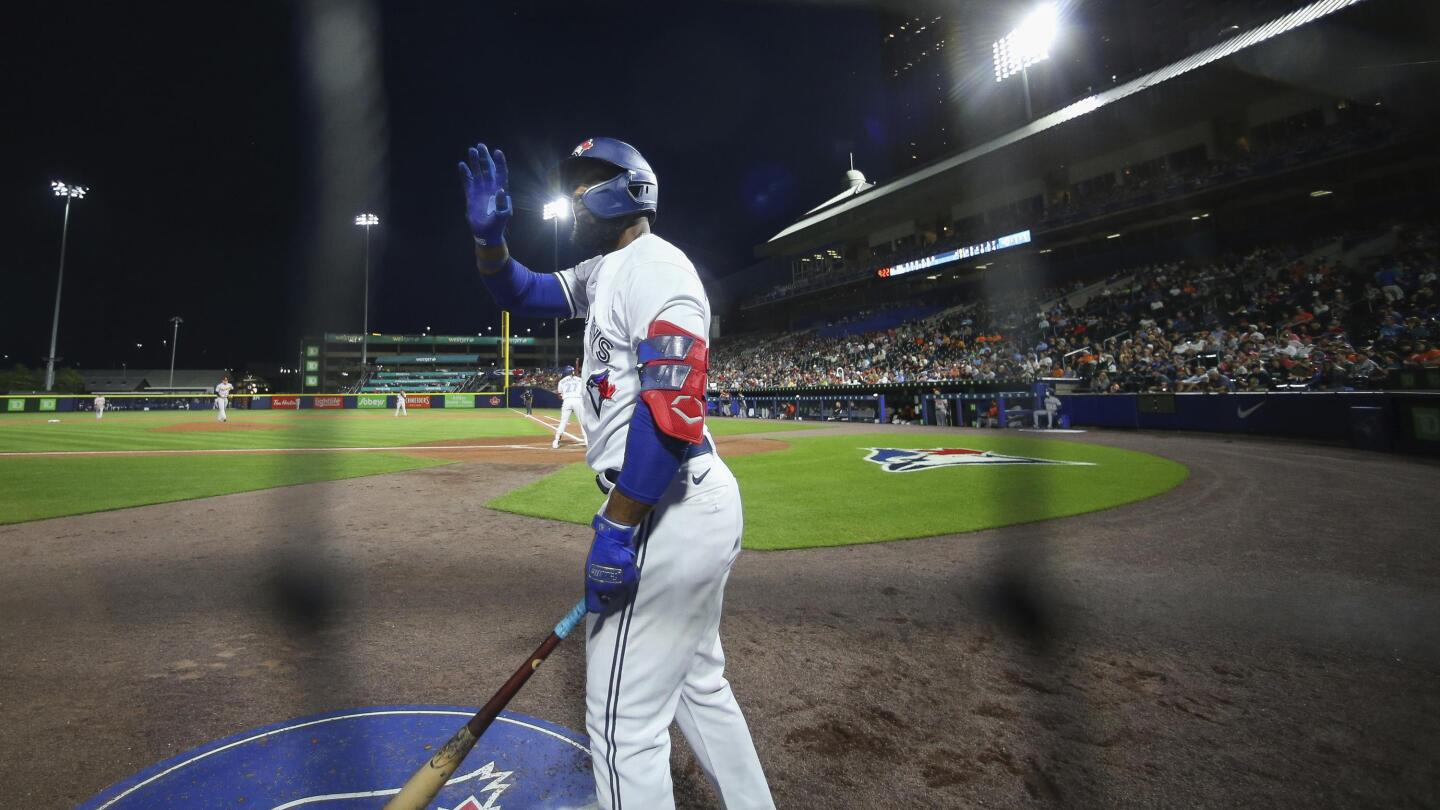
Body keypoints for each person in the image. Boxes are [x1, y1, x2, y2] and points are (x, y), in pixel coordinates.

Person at [461, 137, 773, 809]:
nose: (574, 197)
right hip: (681, 502)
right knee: (699, 686)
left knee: (619, 723)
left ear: (632, 187)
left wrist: (617, 525)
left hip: (668, 502)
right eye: (570, 186)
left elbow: (675, 401)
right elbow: (523, 291)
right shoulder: (606, 271)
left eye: (588, 181)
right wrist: (490, 240)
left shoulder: (657, 266)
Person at [554, 365, 586, 448]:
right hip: (578, 400)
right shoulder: (580, 379)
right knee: (582, 422)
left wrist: (566, 396)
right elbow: (584, 391)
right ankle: (587, 441)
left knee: (563, 422)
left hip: (567, 401)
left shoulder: (561, 381)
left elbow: (559, 395)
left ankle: (556, 441)